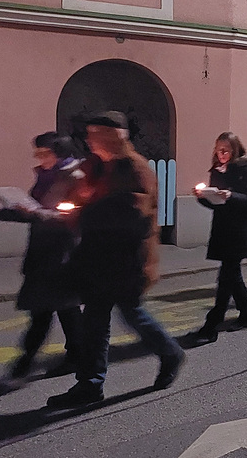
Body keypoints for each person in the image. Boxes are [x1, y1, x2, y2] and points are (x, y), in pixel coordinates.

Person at [47, 112, 184, 409]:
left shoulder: (135, 168)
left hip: (127, 262)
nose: (89, 139)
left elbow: (133, 211)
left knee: (133, 315)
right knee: (94, 322)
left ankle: (170, 352)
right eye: (89, 133)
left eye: (96, 133)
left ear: (115, 136)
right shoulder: (96, 166)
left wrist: (86, 211)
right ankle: (90, 384)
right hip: (98, 259)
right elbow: (80, 195)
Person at [0, 133, 83, 379]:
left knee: (52, 310)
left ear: (59, 153)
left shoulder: (75, 177)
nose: (38, 157)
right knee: (58, 309)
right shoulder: (45, 176)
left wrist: (34, 213)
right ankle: (74, 355)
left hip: (63, 254)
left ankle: (26, 362)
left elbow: (72, 218)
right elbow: (31, 211)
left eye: (43, 153)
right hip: (43, 253)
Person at [191, 132, 247, 344]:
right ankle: (246, 313)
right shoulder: (217, 170)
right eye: (218, 150)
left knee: (225, 278)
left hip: (240, 231)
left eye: (225, 150)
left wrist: (232, 196)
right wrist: (203, 197)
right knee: (233, 276)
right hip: (223, 230)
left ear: (235, 150)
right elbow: (216, 204)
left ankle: (212, 325)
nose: (221, 154)